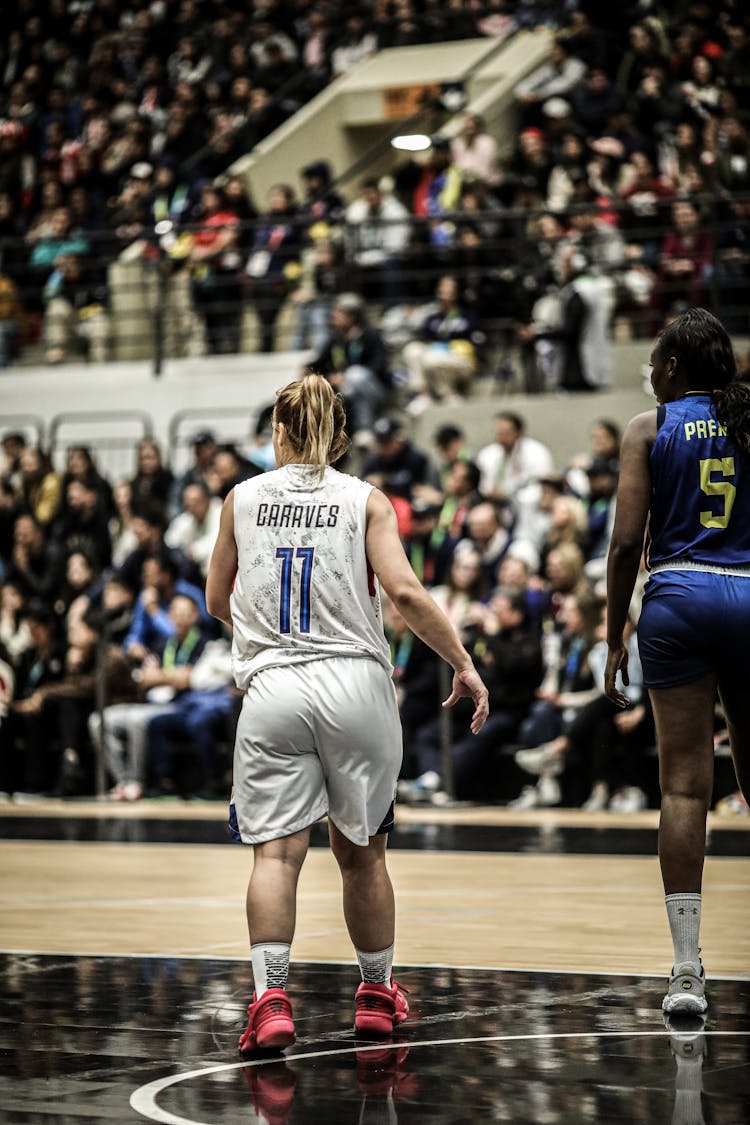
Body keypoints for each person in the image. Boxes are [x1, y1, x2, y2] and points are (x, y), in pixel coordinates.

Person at [206, 374, 488, 1053]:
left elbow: (217, 598)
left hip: (273, 687)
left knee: (275, 854)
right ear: (338, 435)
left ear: (277, 430)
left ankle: (271, 1001)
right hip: (356, 684)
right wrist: (463, 661)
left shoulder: (240, 499)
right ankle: (375, 994)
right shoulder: (366, 499)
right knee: (363, 855)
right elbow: (405, 592)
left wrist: (262, 633)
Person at [604, 307, 750, 1017]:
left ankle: (688, 970)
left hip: (680, 598)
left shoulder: (648, 426)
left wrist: (611, 637)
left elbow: (625, 543)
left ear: (670, 368)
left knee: (686, 789)